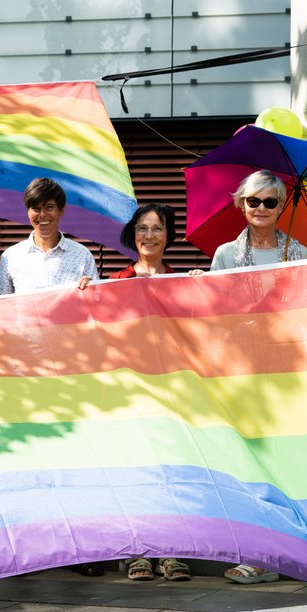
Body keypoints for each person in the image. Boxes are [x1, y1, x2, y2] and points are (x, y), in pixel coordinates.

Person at [191, 170, 307, 585]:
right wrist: (200, 289)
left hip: (283, 376)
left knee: (286, 465)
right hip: (239, 375)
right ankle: (259, 552)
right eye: (253, 201)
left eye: (270, 202)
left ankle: (288, 552)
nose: (261, 209)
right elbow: (214, 316)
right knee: (251, 465)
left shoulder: (298, 252)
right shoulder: (225, 254)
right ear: (241, 205)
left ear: (282, 208)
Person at [107, 203, 190, 583]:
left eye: (157, 229)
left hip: (170, 393)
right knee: (137, 474)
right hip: (130, 393)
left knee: (171, 473)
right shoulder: (117, 281)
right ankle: (138, 553)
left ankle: (171, 552)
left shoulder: (179, 281)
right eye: (142, 228)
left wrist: (200, 289)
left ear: (168, 236)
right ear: (133, 234)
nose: (149, 236)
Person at [0, 177, 97, 295]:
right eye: (36, 209)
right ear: (28, 212)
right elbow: (2, 307)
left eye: (49, 207)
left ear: (61, 210)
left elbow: (99, 306)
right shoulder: (10, 257)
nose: (42, 215)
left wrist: (93, 291)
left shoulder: (82, 256)